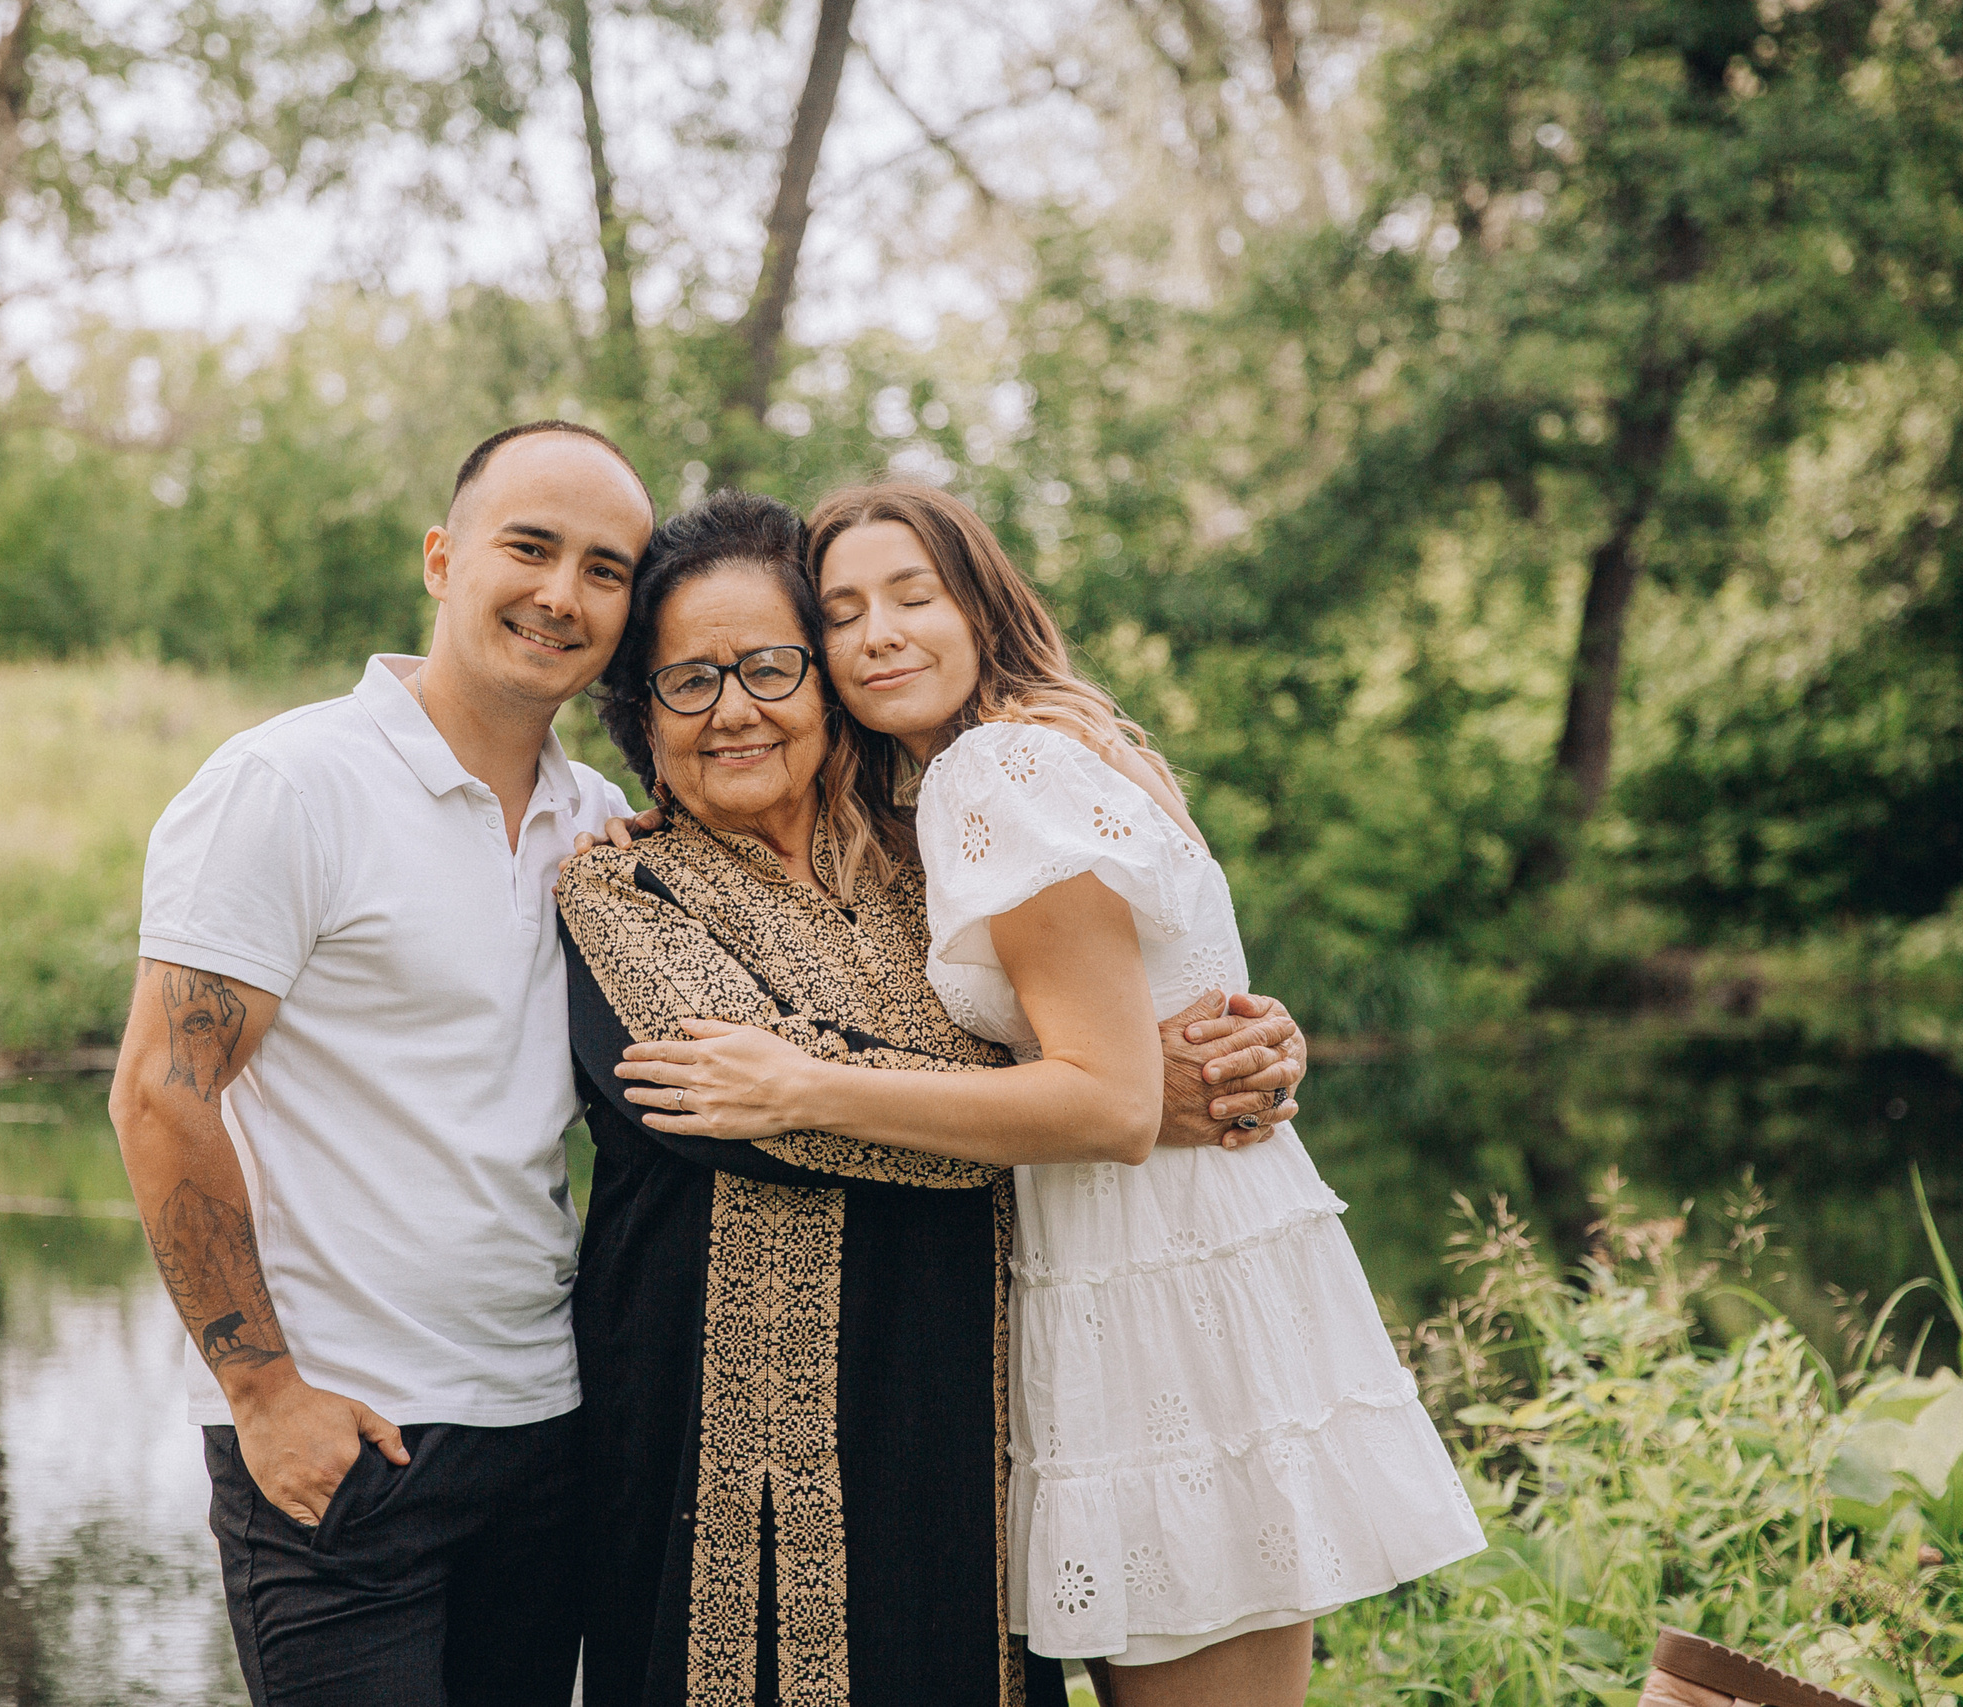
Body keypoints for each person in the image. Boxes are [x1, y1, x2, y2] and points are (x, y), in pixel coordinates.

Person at [636, 481, 1485, 1707]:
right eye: (843, 613)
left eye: (912, 596)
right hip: (1165, 1264)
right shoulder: (1005, 764)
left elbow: (1105, 1107)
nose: (877, 633)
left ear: (981, 606)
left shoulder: (999, 770)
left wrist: (802, 1090)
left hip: (1155, 1290)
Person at [106, 420, 655, 1707]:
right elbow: (159, 1093)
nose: (560, 595)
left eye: (604, 568)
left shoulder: (603, 823)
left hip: (546, 1425)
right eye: (529, 548)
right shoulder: (289, 786)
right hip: (344, 1443)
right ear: (441, 559)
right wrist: (260, 1390)